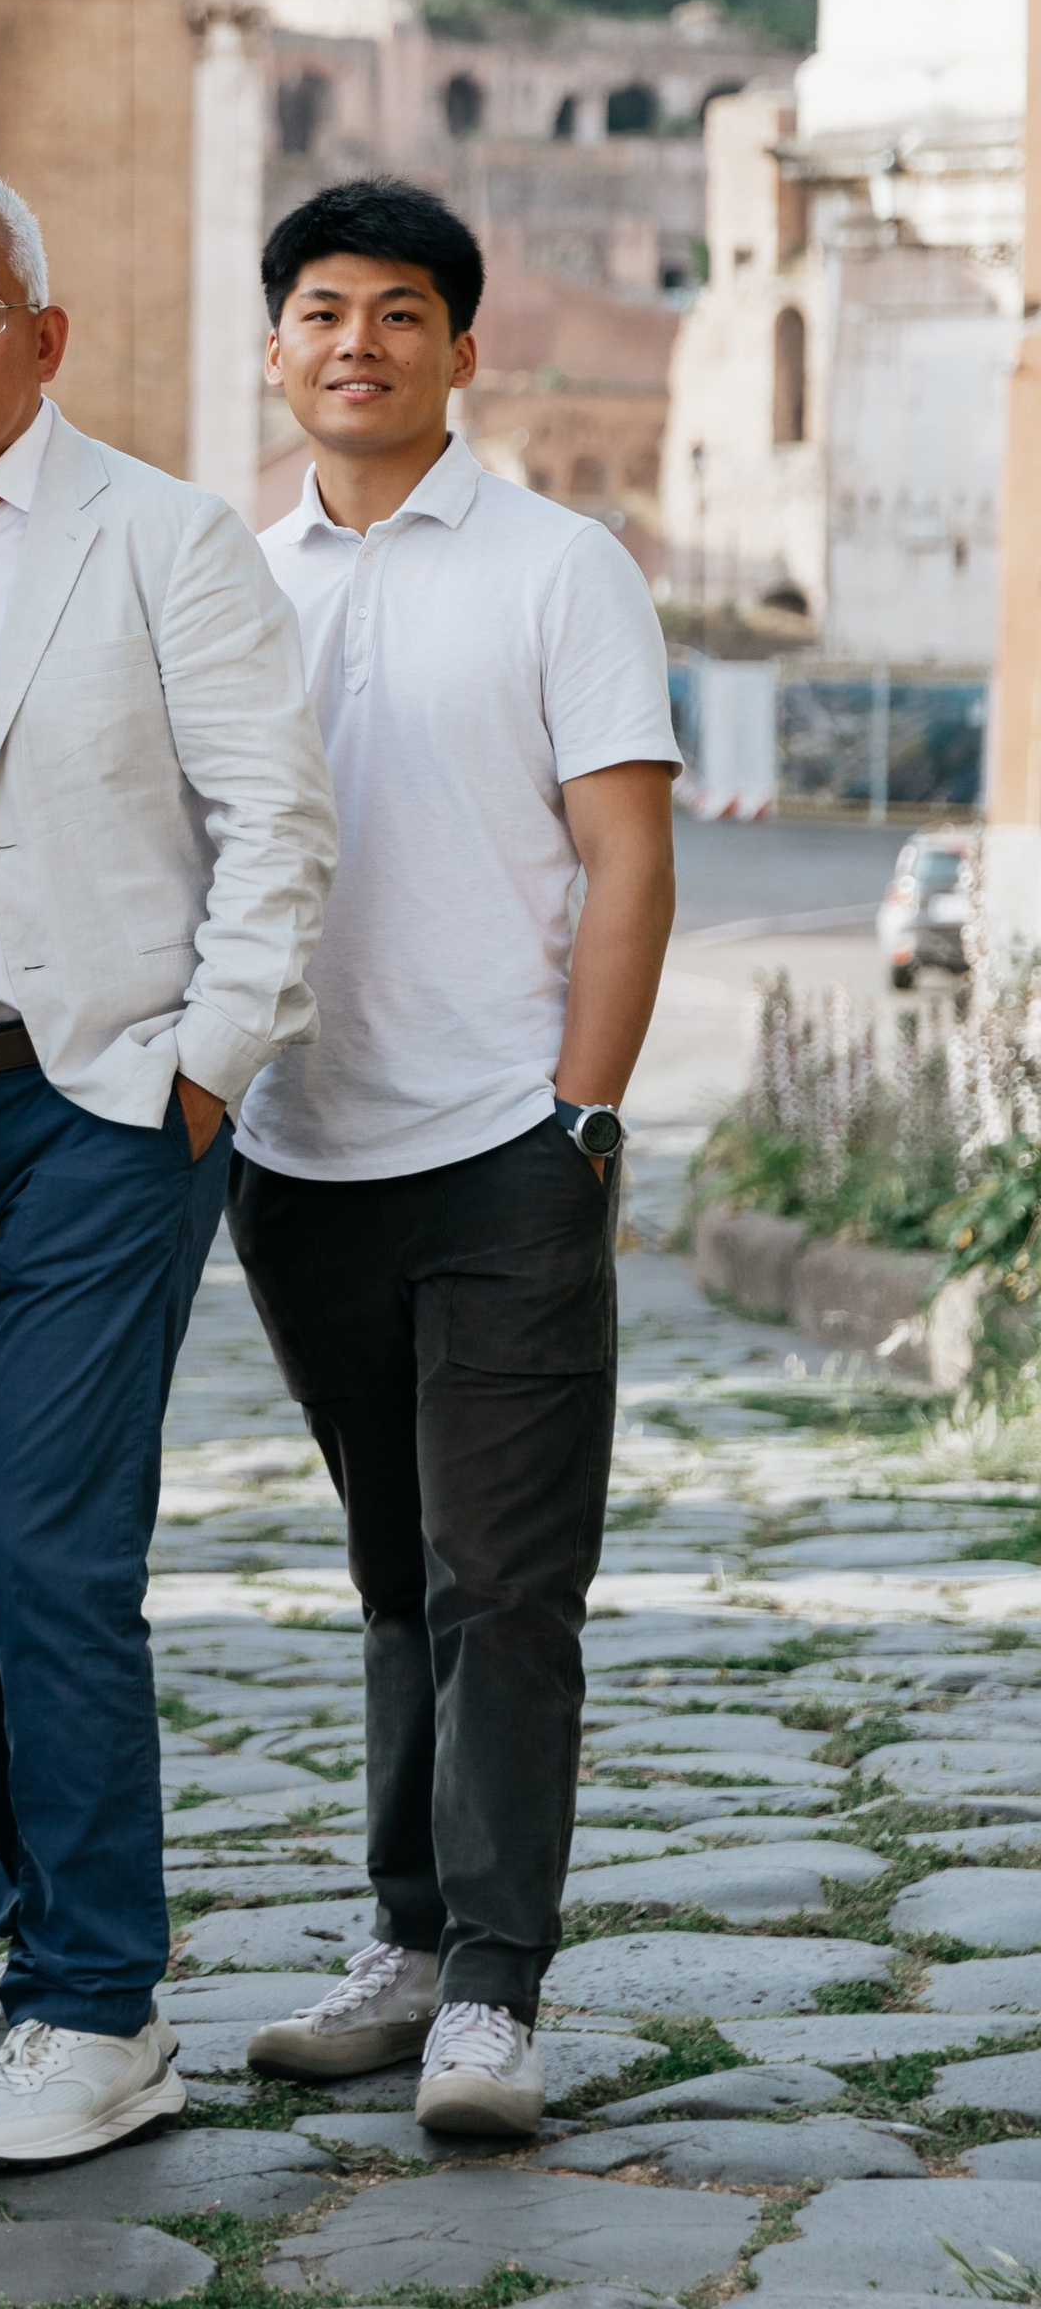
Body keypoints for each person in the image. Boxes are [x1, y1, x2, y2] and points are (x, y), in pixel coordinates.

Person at [0, 165, 339, 2171]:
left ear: (44, 332)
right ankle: (32, 1970)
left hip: (99, 1108)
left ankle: (106, 2006)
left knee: (44, 1551)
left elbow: (277, 827)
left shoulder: (164, 541)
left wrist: (195, 1078)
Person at [232, 177, 679, 2140]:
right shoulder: (234, 584)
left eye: (397, 311)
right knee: (388, 1568)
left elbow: (627, 853)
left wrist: (581, 1107)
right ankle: (404, 1941)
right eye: (320, 309)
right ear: (276, 349)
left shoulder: (556, 565)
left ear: (457, 348)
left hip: (503, 1136)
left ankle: (492, 1991)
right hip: (291, 1152)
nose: (356, 342)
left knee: (503, 1573)